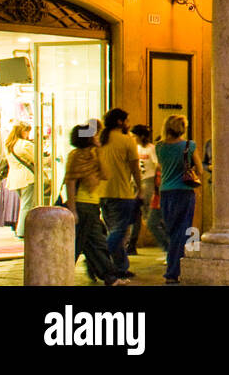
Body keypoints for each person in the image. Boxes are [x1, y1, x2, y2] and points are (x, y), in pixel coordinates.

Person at [63, 121, 123, 286]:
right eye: (94, 135)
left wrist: (98, 150)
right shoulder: (76, 156)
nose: (97, 137)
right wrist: (73, 210)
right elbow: (70, 181)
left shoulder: (95, 154)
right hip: (82, 205)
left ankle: (110, 277)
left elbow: (105, 174)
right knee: (79, 244)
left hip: (92, 205)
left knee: (95, 243)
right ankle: (59, 273)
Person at [154, 114, 202, 283]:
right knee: (183, 230)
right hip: (184, 191)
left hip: (166, 191)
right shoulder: (189, 145)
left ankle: (173, 267)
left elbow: (161, 166)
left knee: (172, 230)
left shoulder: (159, 147)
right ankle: (173, 271)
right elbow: (200, 170)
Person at [97, 108, 141, 278]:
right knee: (119, 232)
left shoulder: (101, 140)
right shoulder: (127, 141)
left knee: (113, 230)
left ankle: (121, 267)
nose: (129, 124)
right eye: (127, 120)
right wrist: (141, 189)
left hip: (102, 193)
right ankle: (99, 258)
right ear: (120, 122)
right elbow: (135, 169)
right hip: (121, 192)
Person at [127, 124, 168, 253]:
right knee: (135, 215)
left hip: (148, 181)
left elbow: (158, 166)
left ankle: (167, 245)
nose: (133, 138)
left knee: (149, 216)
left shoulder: (152, 149)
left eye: (134, 136)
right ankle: (132, 244)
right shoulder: (134, 148)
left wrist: (157, 184)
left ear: (141, 136)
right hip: (135, 182)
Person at [5, 122, 34, 240]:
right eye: (27, 131)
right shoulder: (24, 145)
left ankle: (20, 229)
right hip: (27, 178)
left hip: (15, 179)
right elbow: (37, 159)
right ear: (22, 131)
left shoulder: (9, 144)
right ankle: (22, 231)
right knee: (27, 205)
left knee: (23, 204)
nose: (28, 134)